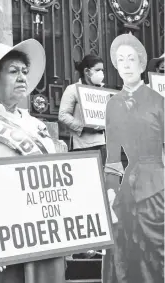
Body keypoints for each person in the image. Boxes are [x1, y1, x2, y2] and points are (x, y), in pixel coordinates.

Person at [0, 39, 67, 283]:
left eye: (25, 72)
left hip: (45, 233)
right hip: (5, 234)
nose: (22, 78)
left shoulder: (37, 125)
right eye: (13, 71)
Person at [103, 33, 164, 283]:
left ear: (141, 63)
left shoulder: (158, 101)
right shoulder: (112, 104)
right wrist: (109, 192)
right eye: (120, 60)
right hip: (128, 189)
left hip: (158, 187)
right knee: (127, 254)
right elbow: (113, 156)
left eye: (131, 59)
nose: (126, 65)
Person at [58, 54, 107, 165]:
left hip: (101, 145)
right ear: (87, 71)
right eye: (98, 70)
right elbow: (63, 115)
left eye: (102, 70)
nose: (101, 73)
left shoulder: (103, 90)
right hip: (82, 146)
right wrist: (82, 127)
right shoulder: (72, 89)